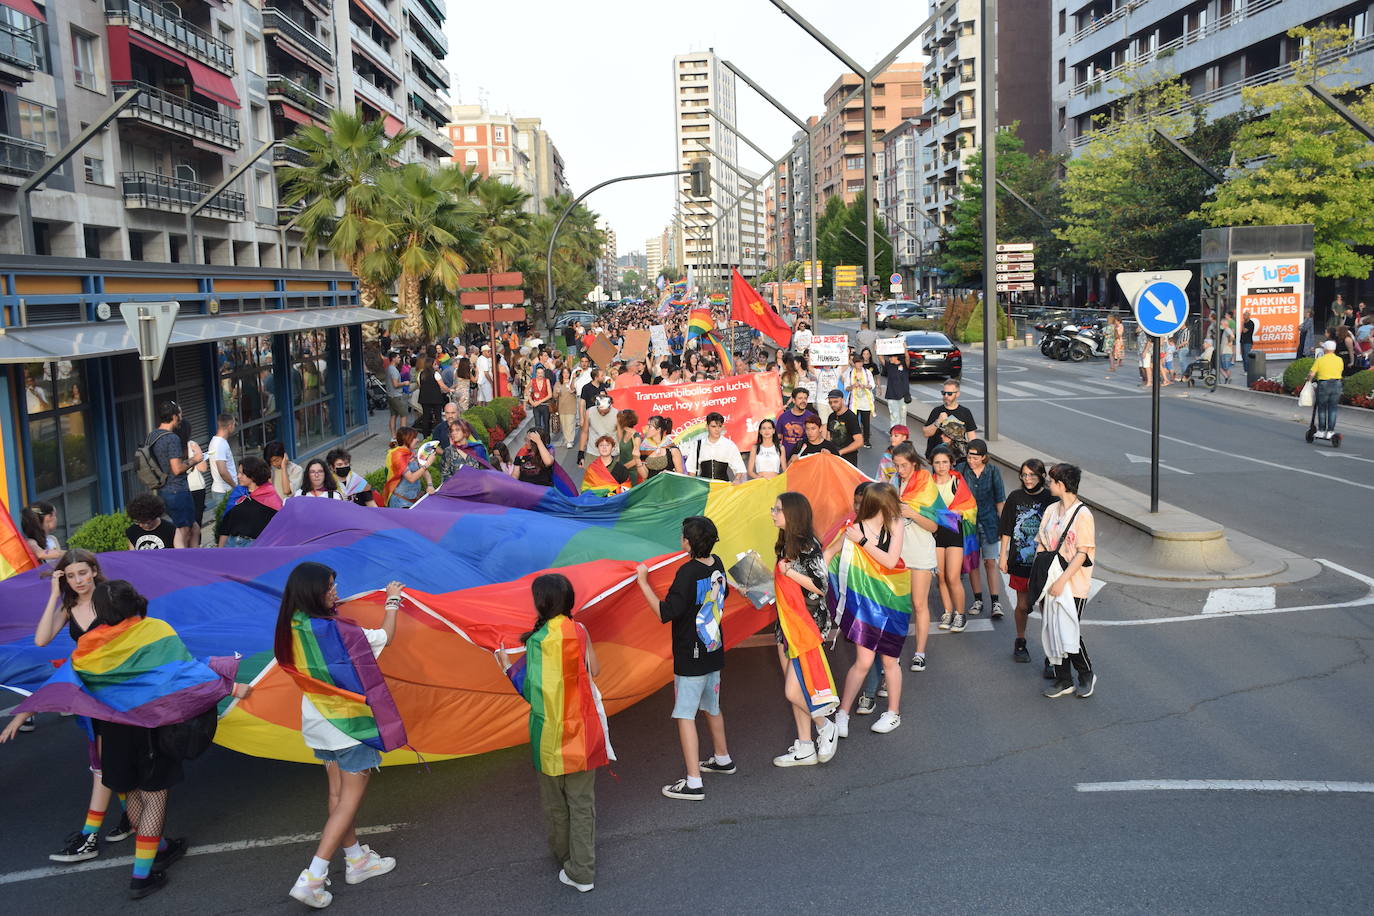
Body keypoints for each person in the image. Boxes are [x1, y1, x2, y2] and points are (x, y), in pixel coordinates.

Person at [4, 578, 248, 899]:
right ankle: (141, 876)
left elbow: (65, 682)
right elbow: (182, 672)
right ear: (135, 602)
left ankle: (158, 847)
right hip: (150, 730)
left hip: (113, 731)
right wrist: (228, 683)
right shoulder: (155, 630)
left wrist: (25, 711)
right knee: (155, 794)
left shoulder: (88, 646)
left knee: (129, 788)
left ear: (102, 610)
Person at [275, 563, 405, 907]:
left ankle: (357, 861)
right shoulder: (341, 632)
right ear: (312, 593)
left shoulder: (292, 625)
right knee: (348, 801)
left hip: (318, 725)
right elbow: (387, 637)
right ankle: (312, 878)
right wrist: (393, 601)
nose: (334, 591)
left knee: (337, 796)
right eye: (329, 587)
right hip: (349, 726)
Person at [1, 549, 131, 855]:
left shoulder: (111, 599)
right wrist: (53, 595)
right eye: (71, 576)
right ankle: (131, 816)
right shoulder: (68, 608)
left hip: (118, 691)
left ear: (95, 571)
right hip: (89, 694)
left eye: (83, 573)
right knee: (105, 757)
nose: (78, 580)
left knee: (104, 761)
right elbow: (41, 640)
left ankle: (89, 836)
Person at [496, 573, 610, 893]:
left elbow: (533, 693)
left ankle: (567, 859)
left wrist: (507, 667)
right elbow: (595, 670)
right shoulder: (581, 630)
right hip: (583, 731)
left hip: (548, 736)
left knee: (555, 803)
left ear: (541, 602)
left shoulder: (537, 641)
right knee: (582, 804)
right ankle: (582, 869)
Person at [634, 517, 734, 801]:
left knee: (685, 714)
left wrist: (642, 583)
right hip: (712, 648)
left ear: (688, 542)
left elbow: (666, 612)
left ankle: (693, 781)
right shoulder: (718, 563)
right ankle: (722, 757)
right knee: (712, 706)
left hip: (690, 655)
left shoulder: (687, 572)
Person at [833, 482, 909, 738]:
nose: (894, 506)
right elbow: (831, 556)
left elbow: (890, 560)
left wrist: (863, 541)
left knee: (890, 660)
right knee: (863, 661)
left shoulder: (894, 524)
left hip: (893, 600)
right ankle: (842, 713)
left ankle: (893, 713)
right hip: (866, 603)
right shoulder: (854, 528)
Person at [769, 492, 839, 768]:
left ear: (793, 514)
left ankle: (825, 726)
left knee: (794, 690)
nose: (772, 513)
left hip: (805, 625)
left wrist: (789, 573)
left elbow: (820, 585)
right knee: (796, 683)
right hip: (787, 622)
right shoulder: (784, 543)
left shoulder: (808, 545)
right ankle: (805, 746)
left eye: (777, 509)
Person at [1036, 464, 1098, 699]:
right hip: (1050, 580)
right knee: (1053, 628)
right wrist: (1040, 573)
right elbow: (1042, 541)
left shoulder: (1083, 515)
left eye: (1051, 481)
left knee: (1067, 629)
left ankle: (1086, 673)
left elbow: (1082, 554)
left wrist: (1062, 581)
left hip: (1073, 582)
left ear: (1061, 485)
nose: (1048, 485)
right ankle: (1063, 679)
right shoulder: (1051, 509)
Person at [998, 459, 1056, 664]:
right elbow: (1006, 528)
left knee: (1046, 607)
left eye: (1032, 475)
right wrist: (1002, 555)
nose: (1028, 479)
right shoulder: (1015, 497)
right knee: (1022, 605)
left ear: (1041, 477)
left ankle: (1052, 654)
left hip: (1043, 563)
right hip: (1020, 560)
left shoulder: (1051, 498)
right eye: (1024, 475)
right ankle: (1020, 641)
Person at [891, 442, 937, 675]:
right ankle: (893, 652)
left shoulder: (926, 484)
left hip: (920, 551)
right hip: (897, 553)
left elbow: (934, 525)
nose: (900, 470)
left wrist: (912, 513)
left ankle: (920, 653)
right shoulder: (894, 483)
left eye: (904, 466)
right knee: (898, 606)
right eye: (897, 466)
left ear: (914, 464)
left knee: (919, 604)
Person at [956, 440, 1006, 618]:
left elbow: (1000, 499)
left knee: (990, 562)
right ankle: (978, 600)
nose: (971, 461)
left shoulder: (993, 472)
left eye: (975, 458)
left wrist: (1004, 525)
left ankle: (995, 602)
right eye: (969, 456)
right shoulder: (961, 469)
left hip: (990, 522)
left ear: (984, 457)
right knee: (973, 563)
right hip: (968, 524)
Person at [929, 447, 976, 633]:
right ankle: (948, 612)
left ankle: (960, 614)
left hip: (954, 532)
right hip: (935, 534)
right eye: (937, 462)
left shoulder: (957, 482)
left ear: (951, 463)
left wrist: (961, 512)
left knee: (953, 577)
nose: (941, 466)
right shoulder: (928, 484)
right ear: (932, 464)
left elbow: (971, 506)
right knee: (940, 577)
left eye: (945, 462)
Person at [145, 400, 193, 549]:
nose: (181, 418)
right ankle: (181, 563)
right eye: (180, 415)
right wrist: (195, 460)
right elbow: (177, 468)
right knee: (183, 530)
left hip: (162, 489)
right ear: (174, 417)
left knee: (193, 527)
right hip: (177, 489)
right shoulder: (172, 438)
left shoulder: (152, 436)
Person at [217, 456, 281, 547]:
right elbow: (226, 525)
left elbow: (277, 529)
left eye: (242, 473)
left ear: (253, 475)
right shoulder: (238, 493)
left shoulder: (270, 496)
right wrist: (220, 551)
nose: (238, 476)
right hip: (231, 544)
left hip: (255, 547)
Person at [921, 380, 977, 460]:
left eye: (949, 393)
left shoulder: (965, 412)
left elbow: (972, 437)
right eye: (944, 393)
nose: (946, 396)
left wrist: (972, 456)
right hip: (938, 457)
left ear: (957, 394)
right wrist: (938, 421)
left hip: (958, 457)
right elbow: (926, 433)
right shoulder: (937, 411)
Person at [684, 412, 746, 483]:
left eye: (719, 426)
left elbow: (739, 468)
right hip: (704, 488)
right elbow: (691, 469)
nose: (717, 429)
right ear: (707, 427)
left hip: (723, 488)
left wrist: (737, 480)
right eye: (713, 426)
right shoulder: (698, 444)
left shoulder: (729, 445)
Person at [382, 427, 434, 509]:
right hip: (401, 504)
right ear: (407, 439)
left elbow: (424, 471)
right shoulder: (398, 456)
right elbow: (411, 478)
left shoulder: (411, 453)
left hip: (413, 501)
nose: (417, 440)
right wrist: (427, 464)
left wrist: (430, 485)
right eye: (414, 438)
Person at [1305, 340, 1346, 439]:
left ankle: (1321, 430)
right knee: (1333, 408)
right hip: (1337, 384)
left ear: (1326, 349)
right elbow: (1340, 371)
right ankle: (1330, 432)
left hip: (1324, 384)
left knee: (1322, 408)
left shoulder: (1320, 359)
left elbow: (1311, 374)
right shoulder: (1339, 360)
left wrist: (1308, 381)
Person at [206, 413, 238, 522]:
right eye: (234, 424)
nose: (234, 426)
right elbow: (222, 471)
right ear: (230, 426)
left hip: (222, 490)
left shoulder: (216, 441)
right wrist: (235, 486)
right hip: (224, 491)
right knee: (228, 525)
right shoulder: (220, 444)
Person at [776, 388, 819, 458]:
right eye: (800, 398)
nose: (803, 401)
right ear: (793, 400)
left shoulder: (812, 417)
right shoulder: (783, 417)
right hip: (786, 458)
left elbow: (817, 439)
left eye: (805, 398)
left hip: (805, 458)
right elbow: (778, 437)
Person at [825, 389, 864, 466]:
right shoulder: (831, 416)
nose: (832, 405)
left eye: (836, 402)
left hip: (848, 460)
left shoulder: (851, 417)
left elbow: (859, 442)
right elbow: (828, 436)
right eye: (830, 402)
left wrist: (840, 452)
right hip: (833, 458)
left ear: (843, 400)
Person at [578, 395, 619, 468]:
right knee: (591, 477)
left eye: (605, 412)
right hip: (593, 452)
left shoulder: (617, 415)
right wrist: (581, 453)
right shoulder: (589, 412)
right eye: (600, 411)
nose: (602, 414)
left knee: (611, 478)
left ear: (610, 406)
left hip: (612, 453)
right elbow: (584, 432)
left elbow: (620, 436)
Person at [613, 409, 646, 484]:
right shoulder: (623, 433)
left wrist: (621, 469)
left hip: (632, 473)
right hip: (622, 472)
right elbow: (618, 427)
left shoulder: (636, 437)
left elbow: (636, 460)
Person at [882, 351, 911, 427]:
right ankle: (895, 433)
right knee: (894, 417)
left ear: (896, 357)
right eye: (889, 357)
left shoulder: (904, 365)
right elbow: (881, 359)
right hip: (891, 395)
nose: (889, 358)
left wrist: (905, 348)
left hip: (903, 396)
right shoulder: (889, 365)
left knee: (902, 417)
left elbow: (907, 358)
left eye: (891, 357)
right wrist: (878, 349)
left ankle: (903, 435)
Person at [554, 368, 579, 449]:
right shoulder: (558, 383)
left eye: (567, 373)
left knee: (570, 424)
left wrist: (574, 390)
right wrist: (557, 393)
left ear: (570, 374)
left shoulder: (573, 382)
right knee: (564, 425)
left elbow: (578, 392)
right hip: (561, 408)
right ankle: (567, 439)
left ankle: (570, 441)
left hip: (571, 407)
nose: (565, 374)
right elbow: (554, 396)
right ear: (561, 374)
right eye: (564, 373)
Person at [527, 364, 554, 439]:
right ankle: (538, 441)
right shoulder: (533, 381)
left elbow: (550, 395)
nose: (540, 375)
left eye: (541, 373)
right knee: (537, 424)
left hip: (545, 405)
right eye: (538, 373)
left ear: (544, 373)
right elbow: (526, 390)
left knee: (546, 424)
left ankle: (547, 441)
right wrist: (531, 400)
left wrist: (539, 402)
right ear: (536, 373)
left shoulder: (546, 381)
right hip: (536, 406)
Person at [384, 353, 408, 436]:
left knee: (393, 415)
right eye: (398, 357)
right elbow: (395, 384)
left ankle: (393, 436)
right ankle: (402, 437)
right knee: (403, 415)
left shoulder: (388, 368)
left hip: (390, 395)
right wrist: (404, 383)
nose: (400, 359)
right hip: (396, 396)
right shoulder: (394, 370)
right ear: (393, 359)